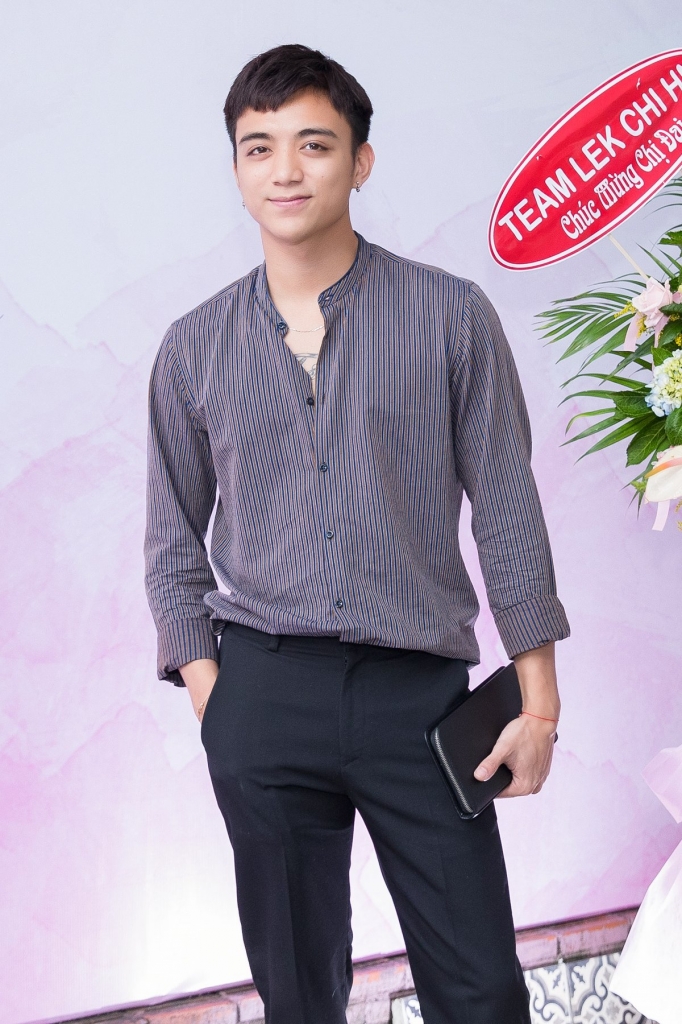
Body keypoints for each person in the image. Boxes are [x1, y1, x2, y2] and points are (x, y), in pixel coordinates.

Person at [144, 43, 570, 1024]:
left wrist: (539, 704)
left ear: (360, 161)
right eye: (259, 148)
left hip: (417, 696)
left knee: (481, 989)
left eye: (314, 143)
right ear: (237, 170)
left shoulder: (451, 317)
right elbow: (171, 544)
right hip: (263, 692)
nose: (285, 170)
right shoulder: (193, 347)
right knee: (299, 996)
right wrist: (219, 704)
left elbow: (507, 507)